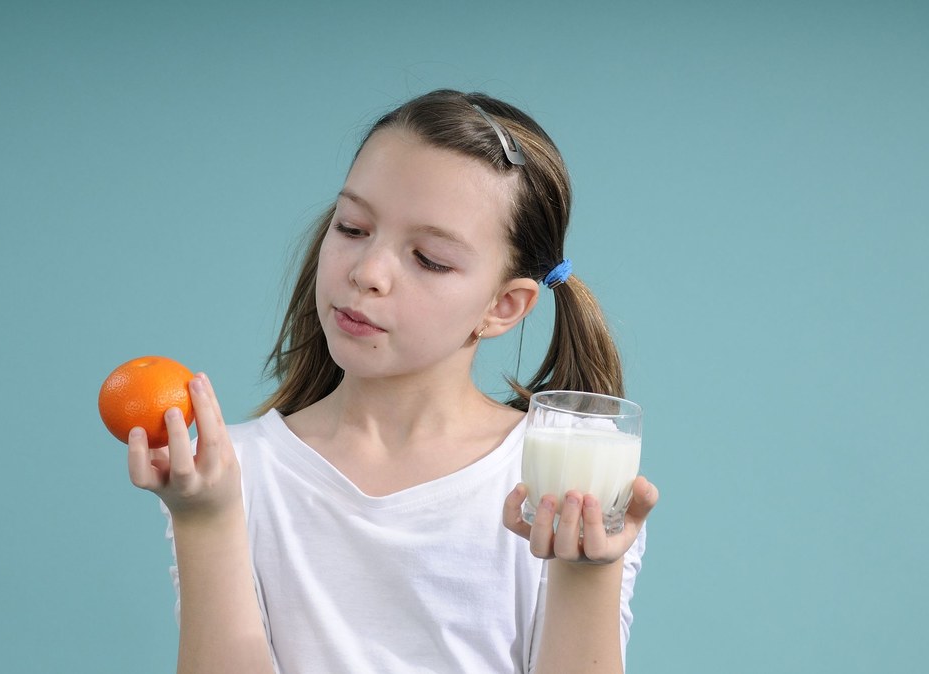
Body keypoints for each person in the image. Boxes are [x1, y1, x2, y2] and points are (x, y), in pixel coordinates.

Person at [126, 89, 660, 674]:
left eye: (428, 258)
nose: (367, 272)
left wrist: (586, 570)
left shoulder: (551, 486)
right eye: (353, 227)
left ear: (504, 306)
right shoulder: (229, 476)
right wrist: (206, 520)